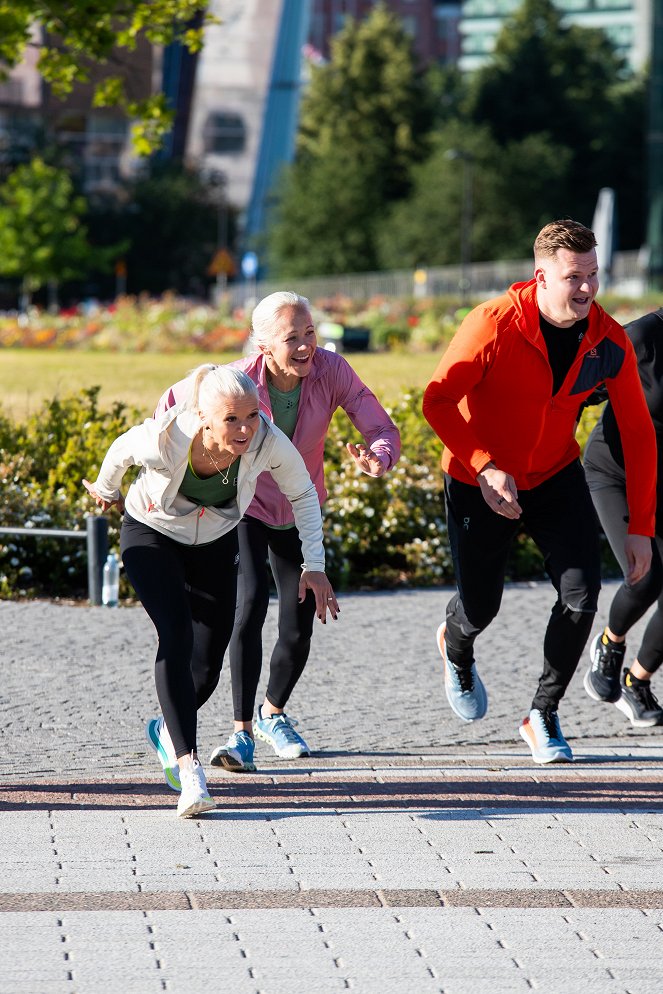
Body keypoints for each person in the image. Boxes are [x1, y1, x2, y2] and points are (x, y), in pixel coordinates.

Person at [422, 219, 657, 764]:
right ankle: (456, 644)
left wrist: (641, 528)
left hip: (555, 475)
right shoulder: (493, 323)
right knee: (481, 605)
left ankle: (543, 713)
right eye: (574, 277)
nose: (587, 289)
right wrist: (484, 464)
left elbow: (640, 436)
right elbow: (436, 401)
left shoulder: (609, 338)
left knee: (580, 594)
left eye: (594, 275)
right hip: (476, 480)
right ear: (541, 276)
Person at [156, 291, 400, 773]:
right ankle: (241, 733)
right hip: (243, 505)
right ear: (264, 346)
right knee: (249, 605)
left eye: (310, 332)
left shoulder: (332, 370)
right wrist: (160, 456)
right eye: (293, 337)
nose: (307, 344)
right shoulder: (237, 381)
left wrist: (379, 455)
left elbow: (374, 419)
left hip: (299, 503)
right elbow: (170, 404)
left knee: (300, 615)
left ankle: (273, 713)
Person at [83, 364, 338, 817]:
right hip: (151, 534)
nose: (244, 430)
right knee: (175, 634)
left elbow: (304, 495)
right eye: (231, 420)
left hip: (216, 541)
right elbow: (120, 451)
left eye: (251, 417)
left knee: (207, 664)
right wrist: (107, 490)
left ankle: (165, 729)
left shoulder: (267, 442)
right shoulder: (166, 437)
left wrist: (313, 566)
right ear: (203, 416)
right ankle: (190, 769)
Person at [583, 306, 663, 726]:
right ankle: (610, 644)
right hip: (614, 470)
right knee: (645, 575)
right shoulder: (643, 336)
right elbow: (576, 390)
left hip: (659, 478)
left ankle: (637, 680)